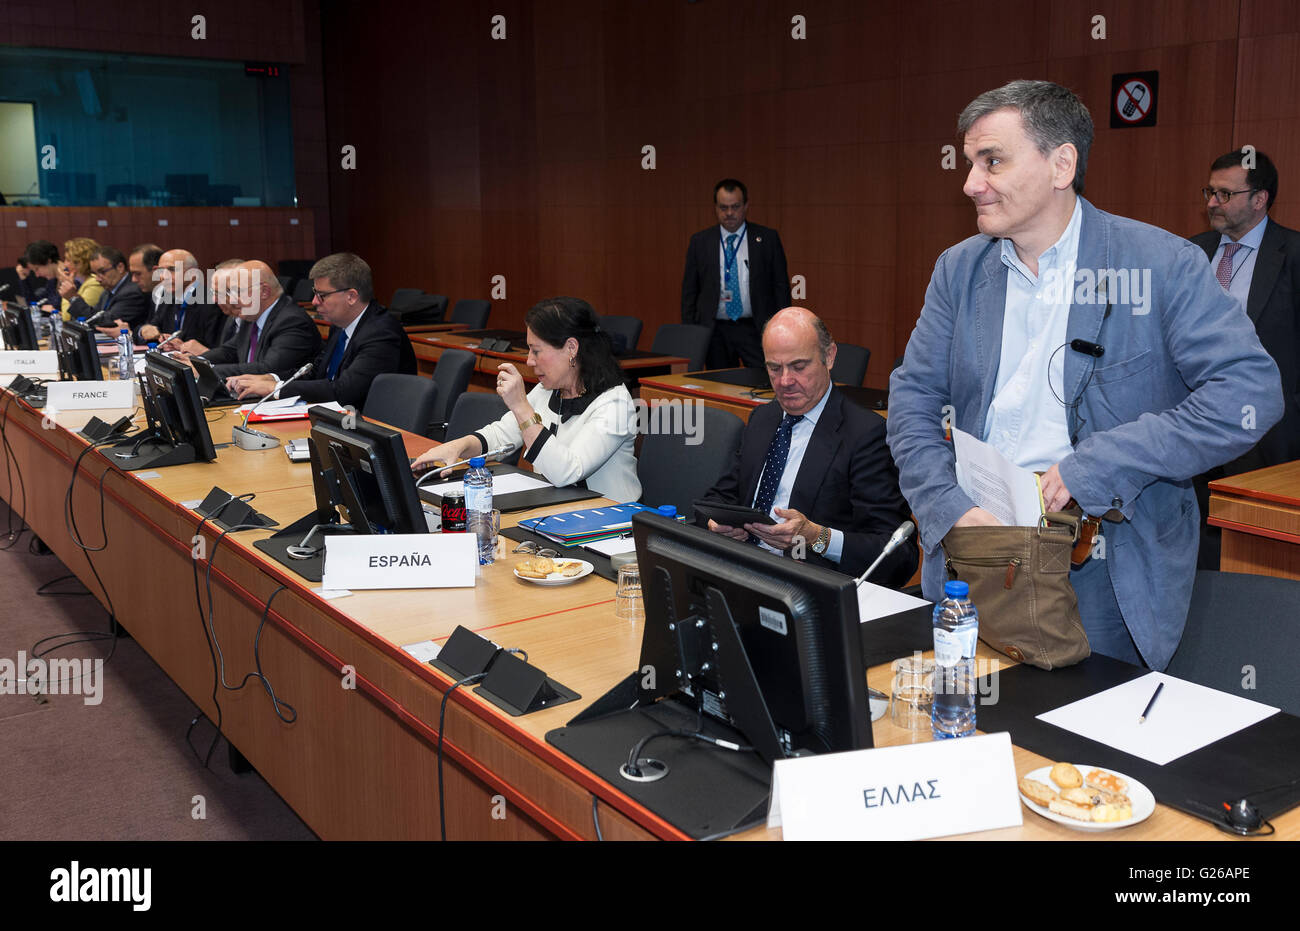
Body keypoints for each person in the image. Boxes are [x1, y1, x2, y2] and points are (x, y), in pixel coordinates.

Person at [886, 80, 1283, 671]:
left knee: (1080, 758)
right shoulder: (958, 270)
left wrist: (1098, 464)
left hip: (1101, 567)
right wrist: (946, 505)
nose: (971, 183)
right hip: (974, 551)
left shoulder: (1161, 264)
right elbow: (913, 399)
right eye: (970, 163)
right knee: (972, 733)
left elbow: (1249, 395)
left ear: (1061, 164)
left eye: (991, 160)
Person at [698, 307, 916, 586]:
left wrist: (816, 537)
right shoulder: (763, 419)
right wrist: (716, 524)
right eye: (774, 368)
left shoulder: (866, 435)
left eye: (799, 366)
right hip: (743, 571)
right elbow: (717, 498)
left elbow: (898, 555)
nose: (785, 381)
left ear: (830, 356)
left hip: (809, 584)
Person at [411, 297, 641, 503]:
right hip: (556, 510)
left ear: (571, 348)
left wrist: (521, 406)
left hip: (610, 525)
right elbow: (501, 435)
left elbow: (567, 471)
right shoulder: (547, 389)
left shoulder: (615, 403)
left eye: (536, 350)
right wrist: (457, 446)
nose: (529, 361)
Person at [1188, 151, 1300, 564]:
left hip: (1268, 434)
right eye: (1210, 192)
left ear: (1260, 199)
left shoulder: (1293, 255)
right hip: (1193, 422)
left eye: (1225, 194)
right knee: (1194, 546)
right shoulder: (1189, 253)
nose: (1212, 203)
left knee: (1252, 558)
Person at [226, 252, 415, 409]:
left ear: (351, 296)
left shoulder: (380, 333)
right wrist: (269, 378)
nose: (315, 302)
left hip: (370, 425)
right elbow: (316, 371)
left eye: (321, 295)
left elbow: (344, 391)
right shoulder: (339, 326)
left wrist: (275, 388)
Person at [681, 178, 791, 368]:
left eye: (735, 206)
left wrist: (780, 327)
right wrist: (692, 331)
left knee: (763, 382)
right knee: (718, 386)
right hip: (714, 331)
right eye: (723, 207)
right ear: (715, 207)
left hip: (755, 328)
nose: (730, 213)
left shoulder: (767, 238)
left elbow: (780, 286)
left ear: (746, 205)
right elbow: (690, 290)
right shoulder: (700, 241)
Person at [195, 259, 320, 379]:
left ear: (264, 291)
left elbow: (268, 369)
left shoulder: (292, 321)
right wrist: (194, 363)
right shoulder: (252, 314)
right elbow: (229, 351)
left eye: (237, 291)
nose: (232, 300)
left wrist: (206, 370)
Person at [137, 249, 224, 347]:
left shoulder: (210, 302)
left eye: (172, 269)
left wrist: (183, 347)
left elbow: (215, 348)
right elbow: (151, 328)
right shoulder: (168, 299)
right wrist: (144, 330)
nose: (163, 276)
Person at [66, 245, 150, 334]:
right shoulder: (108, 291)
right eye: (95, 273)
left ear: (120, 267)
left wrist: (73, 298)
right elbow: (93, 319)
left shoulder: (132, 291)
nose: (97, 279)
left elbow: (108, 323)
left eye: (102, 272)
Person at [56, 238, 104, 321]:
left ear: (80, 263)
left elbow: (67, 318)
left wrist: (66, 285)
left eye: (68, 260)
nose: (65, 264)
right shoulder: (82, 282)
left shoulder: (94, 284)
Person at [22, 240, 61, 311]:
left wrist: (56, 312)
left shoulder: (72, 280)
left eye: (37, 269)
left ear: (48, 261)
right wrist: (23, 279)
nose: (37, 275)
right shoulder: (52, 281)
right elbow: (33, 304)